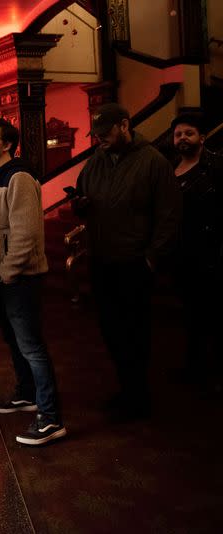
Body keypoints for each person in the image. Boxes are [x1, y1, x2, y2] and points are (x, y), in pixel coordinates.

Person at [73, 103, 181, 421]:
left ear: (124, 124)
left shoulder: (153, 161)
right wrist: (81, 206)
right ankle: (126, 389)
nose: (99, 140)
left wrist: (151, 257)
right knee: (111, 330)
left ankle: (138, 395)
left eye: (105, 134)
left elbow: (170, 214)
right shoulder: (97, 161)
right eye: (96, 135)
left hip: (134, 261)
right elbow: (83, 195)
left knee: (135, 331)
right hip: (102, 258)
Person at [0, 118, 66, 445]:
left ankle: (51, 418)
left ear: (8, 145)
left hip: (20, 277)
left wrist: (8, 270)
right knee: (13, 339)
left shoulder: (19, 177)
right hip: (0, 276)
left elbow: (25, 233)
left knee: (31, 345)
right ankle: (26, 393)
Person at [170, 112, 222, 382]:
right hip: (183, 255)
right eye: (178, 134)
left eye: (188, 133)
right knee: (191, 314)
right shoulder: (170, 170)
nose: (182, 138)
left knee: (214, 316)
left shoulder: (215, 167)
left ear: (201, 138)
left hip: (212, 254)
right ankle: (195, 367)